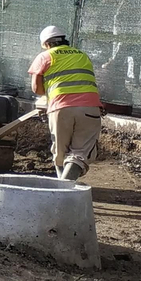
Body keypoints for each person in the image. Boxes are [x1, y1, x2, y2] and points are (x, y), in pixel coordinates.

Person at [29, 25, 102, 181]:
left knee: (60, 153)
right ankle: (66, 185)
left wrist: (48, 91)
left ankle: (62, 190)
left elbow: (36, 89)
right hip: (89, 108)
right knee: (80, 153)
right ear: (64, 40)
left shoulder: (45, 56)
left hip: (61, 108)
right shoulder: (82, 55)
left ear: (46, 44)